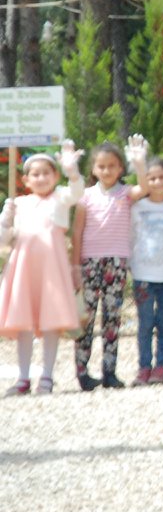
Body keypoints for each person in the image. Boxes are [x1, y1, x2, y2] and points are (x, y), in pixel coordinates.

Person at [0, 144, 84, 393]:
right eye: (35, 174)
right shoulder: (20, 203)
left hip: (51, 271)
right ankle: (23, 377)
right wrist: (5, 218)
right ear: (25, 180)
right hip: (24, 268)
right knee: (23, 322)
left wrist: (72, 170)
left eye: (47, 173)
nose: (41, 178)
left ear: (55, 177)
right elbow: (4, 239)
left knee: (50, 322)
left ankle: (47, 376)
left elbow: (77, 192)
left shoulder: (60, 198)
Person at [69, 140, 133, 390]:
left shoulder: (126, 193)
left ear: (120, 168)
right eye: (101, 166)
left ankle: (109, 370)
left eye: (112, 166)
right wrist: (75, 267)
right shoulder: (85, 196)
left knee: (112, 317)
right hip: (89, 262)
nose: (107, 171)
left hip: (116, 262)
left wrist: (139, 162)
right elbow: (77, 232)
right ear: (94, 169)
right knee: (85, 318)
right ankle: (83, 372)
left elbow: (145, 188)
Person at [128, 151, 163, 386]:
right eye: (151, 178)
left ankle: (161, 367)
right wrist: (132, 265)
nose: (157, 183)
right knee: (144, 323)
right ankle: (144, 367)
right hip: (143, 274)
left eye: (162, 177)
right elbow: (130, 238)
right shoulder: (137, 208)